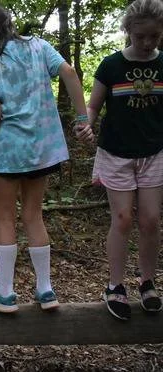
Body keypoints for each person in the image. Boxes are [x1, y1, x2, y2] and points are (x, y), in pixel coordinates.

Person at [0, 4, 93, 313]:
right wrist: (82, 118)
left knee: (5, 217)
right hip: (42, 148)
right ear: (8, 24)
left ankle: (5, 294)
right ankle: (46, 290)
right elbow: (69, 72)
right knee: (34, 216)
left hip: (8, 150)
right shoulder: (38, 46)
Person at [86, 0, 163, 320]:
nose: (147, 43)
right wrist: (85, 125)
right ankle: (115, 286)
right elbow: (93, 107)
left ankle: (148, 282)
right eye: (141, 36)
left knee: (150, 220)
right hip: (116, 153)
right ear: (128, 31)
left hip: (154, 152)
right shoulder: (111, 65)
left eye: (155, 36)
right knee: (122, 220)